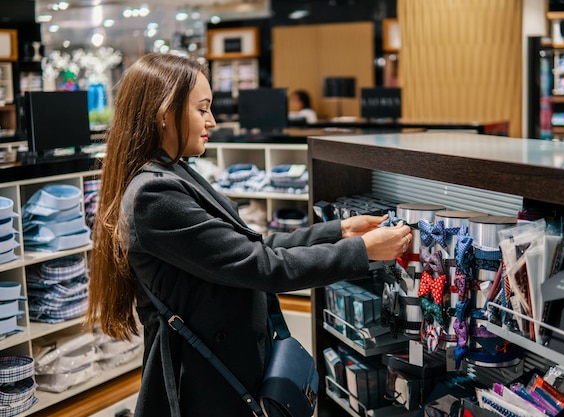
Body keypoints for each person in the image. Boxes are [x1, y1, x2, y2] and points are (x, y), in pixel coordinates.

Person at [85, 52, 411, 417]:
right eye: (202, 109)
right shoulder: (154, 195)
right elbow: (261, 265)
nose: (212, 121)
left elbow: (250, 247)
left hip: (221, 363)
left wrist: (340, 230)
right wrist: (361, 251)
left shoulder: (174, 173)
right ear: (164, 114)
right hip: (204, 379)